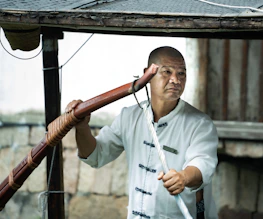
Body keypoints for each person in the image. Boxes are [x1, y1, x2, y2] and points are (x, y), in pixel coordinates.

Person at [65, 46, 218, 219]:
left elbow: (203, 164)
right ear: (148, 74)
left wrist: (183, 177)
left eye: (181, 73)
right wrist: (82, 127)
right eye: (167, 72)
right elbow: (95, 155)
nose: (175, 80)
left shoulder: (200, 124)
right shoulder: (129, 117)